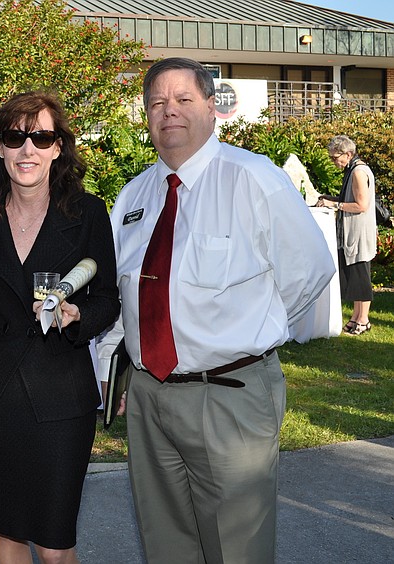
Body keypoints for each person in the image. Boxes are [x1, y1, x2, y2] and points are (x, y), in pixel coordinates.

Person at [110, 57, 335, 564]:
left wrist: (251, 330)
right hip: (150, 397)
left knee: (238, 550)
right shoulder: (134, 196)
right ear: (145, 116)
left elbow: (311, 270)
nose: (169, 112)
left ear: (212, 108)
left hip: (229, 396)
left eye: (184, 100)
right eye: (157, 103)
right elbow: (124, 296)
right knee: (166, 545)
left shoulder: (253, 178)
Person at [0, 91, 119, 563]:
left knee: (55, 544)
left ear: (58, 148)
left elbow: (107, 297)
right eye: (15, 137)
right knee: (6, 534)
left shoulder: (88, 212)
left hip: (60, 397)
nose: (27, 149)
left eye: (42, 137)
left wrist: (79, 317)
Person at [317, 135, 377, 335]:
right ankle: (356, 317)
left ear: (348, 154)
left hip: (359, 232)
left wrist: (333, 204)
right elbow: (349, 199)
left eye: (336, 157)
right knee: (354, 275)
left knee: (361, 275)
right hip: (352, 231)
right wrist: (329, 198)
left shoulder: (358, 172)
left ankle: (363, 319)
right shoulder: (352, 169)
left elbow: (361, 205)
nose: (334, 162)